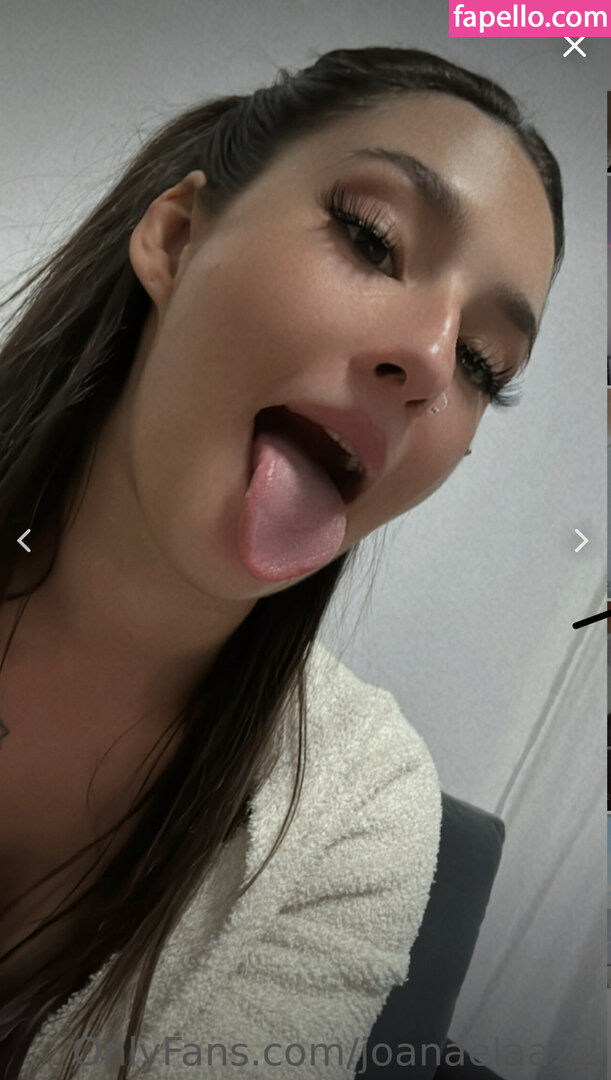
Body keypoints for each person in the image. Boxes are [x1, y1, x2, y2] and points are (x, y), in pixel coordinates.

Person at [0, 46, 563, 1080]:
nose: (431, 361)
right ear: (177, 236)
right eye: (372, 238)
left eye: (483, 365)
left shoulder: (360, 809)